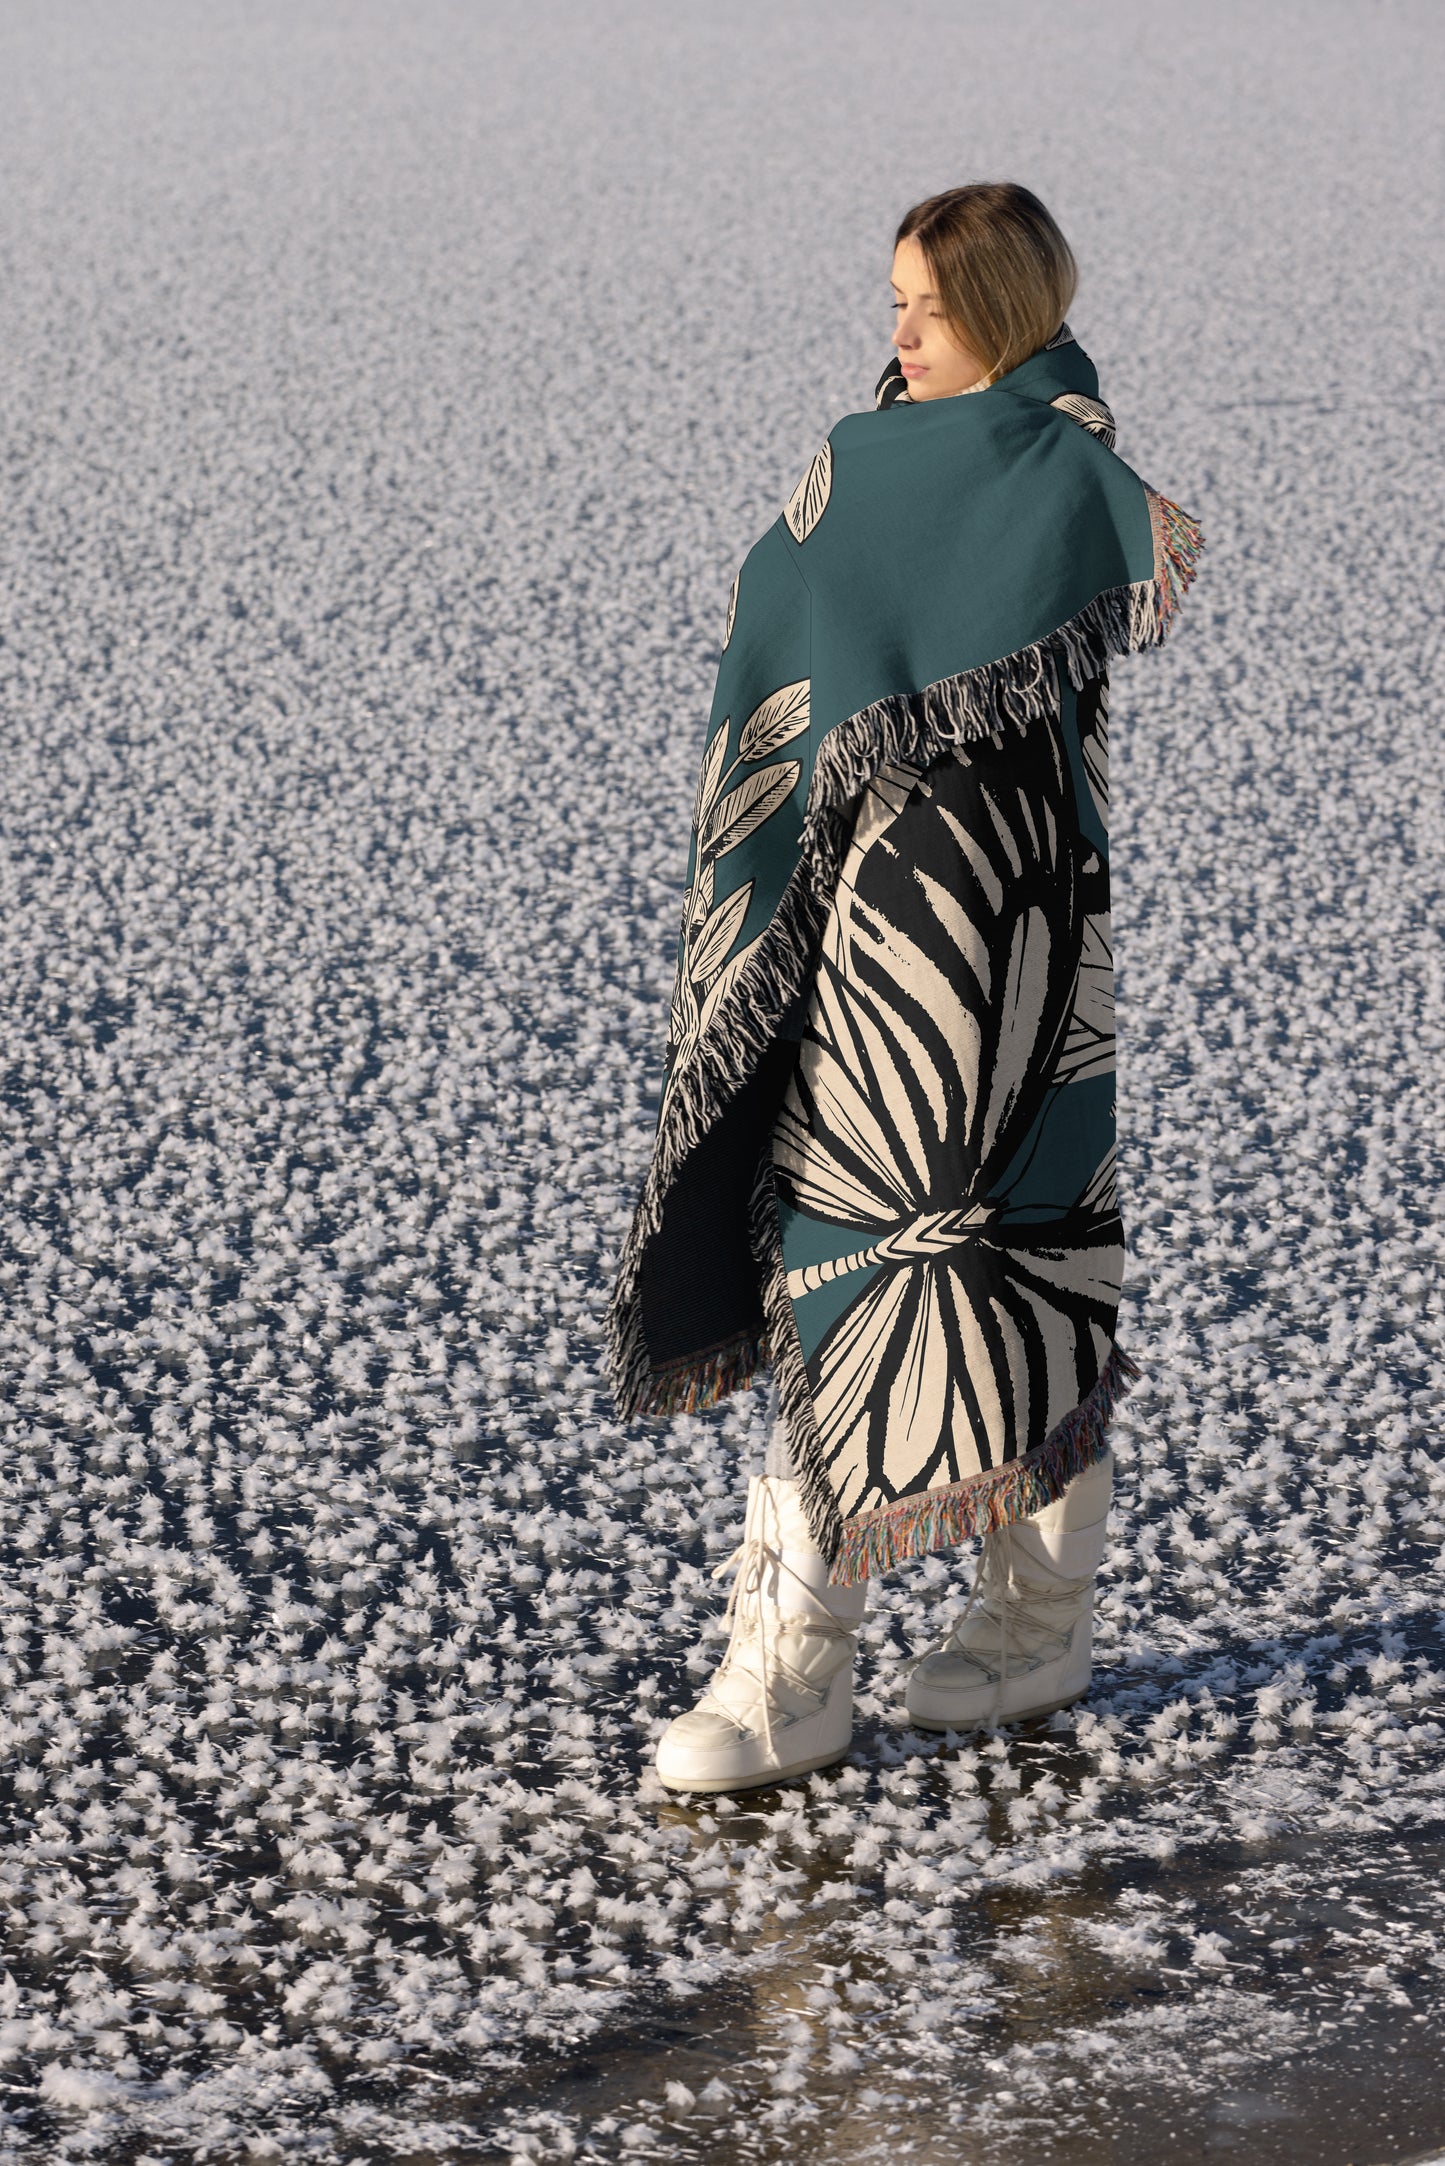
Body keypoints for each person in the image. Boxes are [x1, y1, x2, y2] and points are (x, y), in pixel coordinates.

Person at [606, 182, 1203, 1794]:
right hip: (850, 906)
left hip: (1018, 917)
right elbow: (780, 639)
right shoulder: (857, 467)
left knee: (1022, 1243)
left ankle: (1034, 1613)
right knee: (837, 1234)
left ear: (1001, 308)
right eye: (891, 303)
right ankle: (796, 1653)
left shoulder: (1066, 469)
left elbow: (1069, 636)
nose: (899, 332)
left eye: (925, 307)